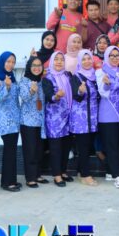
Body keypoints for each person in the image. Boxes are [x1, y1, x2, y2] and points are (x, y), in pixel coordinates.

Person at [0, 51, 21, 192]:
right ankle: (7, 183)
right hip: (4, 119)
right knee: (9, 150)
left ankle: (10, 180)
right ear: (2, 62)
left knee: (12, 150)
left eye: (13, 62)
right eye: (8, 61)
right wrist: (7, 86)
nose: (11, 64)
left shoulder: (12, 78)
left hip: (15, 119)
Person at [96, 46, 119, 188]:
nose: (115, 58)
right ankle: (118, 176)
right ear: (106, 56)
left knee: (118, 145)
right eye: (112, 55)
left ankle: (110, 171)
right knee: (112, 146)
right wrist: (107, 84)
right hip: (108, 114)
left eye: (117, 55)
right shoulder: (100, 72)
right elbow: (103, 93)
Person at [42, 52, 72, 188]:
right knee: (55, 147)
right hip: (54, 118)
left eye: (61, 60)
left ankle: (63, 171)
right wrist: (57, 96)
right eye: (56, 59)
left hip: (68, 116)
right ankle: (57, 175)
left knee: (66, 146)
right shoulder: (47, 79)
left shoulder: (68, 76)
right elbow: (49, 96)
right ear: (52, 62)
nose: (59, 62)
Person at [69, 50, 99, 187]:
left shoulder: (94, 76)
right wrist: (80, 91)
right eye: (84, 59)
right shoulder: (76, 77)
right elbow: (76, 96)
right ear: (80, 61)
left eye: (89, 58)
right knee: (83, 147)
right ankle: (86, 175)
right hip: (81, 119)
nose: (87, 61)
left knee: (88, 146)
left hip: (92, 118)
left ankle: (81, 172)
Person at [19, 57, 48, 188]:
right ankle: (30, 178)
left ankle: (37, 174)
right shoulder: (24, 81)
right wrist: (31, 91)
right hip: (28, 121)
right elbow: (24, 98)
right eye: (34, 65)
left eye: (39, 65)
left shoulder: (41, 81)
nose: (37, 68)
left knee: (39, 150)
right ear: (29, 67)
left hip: (40, 121)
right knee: (30, 150)